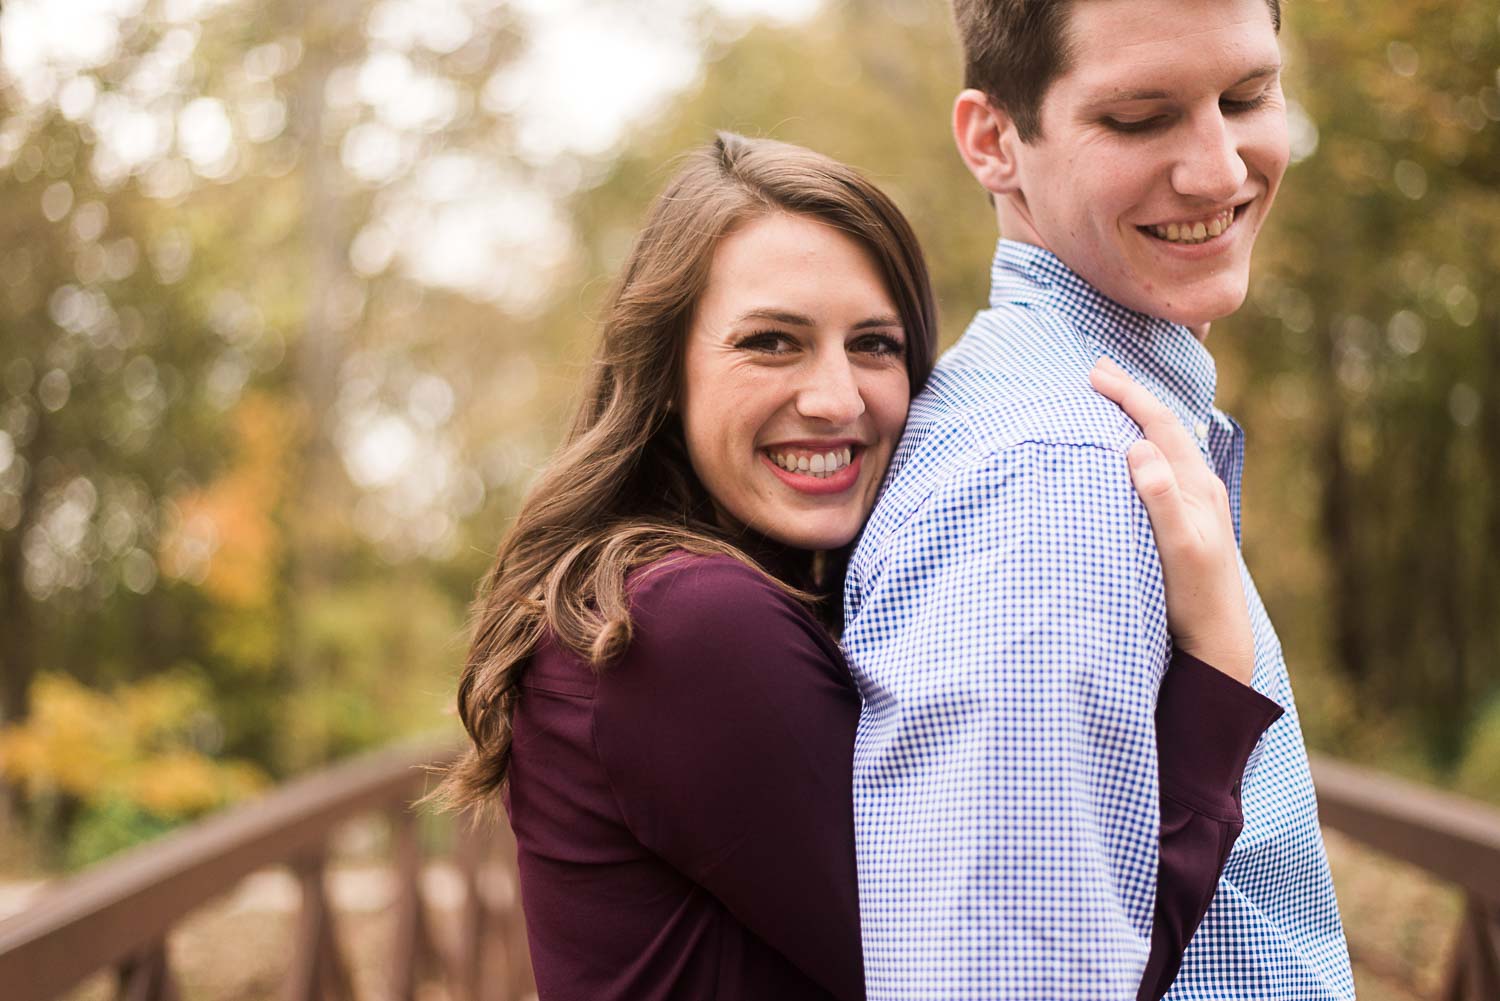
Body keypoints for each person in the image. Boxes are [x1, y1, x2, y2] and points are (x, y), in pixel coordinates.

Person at [437, 133, 1281, 1001]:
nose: (837, 398)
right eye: (771, 342)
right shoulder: (683, 625)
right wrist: (1216, 665)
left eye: (875, 345)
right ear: (664, 372)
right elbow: (1026, 975)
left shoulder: (675, 600)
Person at [843, 0, 1357, 998]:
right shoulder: (1058, 483)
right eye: (1139, 118)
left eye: (1248, 95)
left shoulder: (1083, 433)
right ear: (995, 141)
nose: (1219, 168)